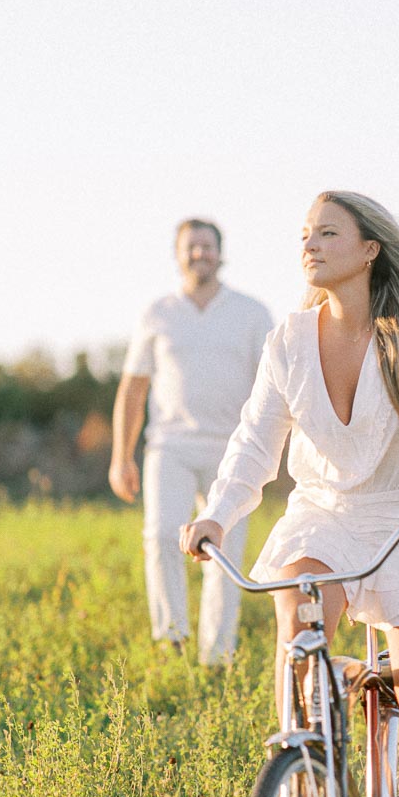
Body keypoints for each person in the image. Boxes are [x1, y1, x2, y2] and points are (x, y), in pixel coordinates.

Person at [180, 192, 399, 797]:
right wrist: (217, 515)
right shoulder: (289, 337)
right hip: (324, 511)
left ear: (369, 249)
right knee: (300, 636)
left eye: (327, 233)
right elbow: (256, 440)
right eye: (304, 235)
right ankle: (313, 786)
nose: (310, 246)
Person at [110, 218, 272, 664]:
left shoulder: (252, 313)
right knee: (162, 534)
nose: (200, 253)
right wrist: (120, 457)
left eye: (207, 246)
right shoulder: (158, 313)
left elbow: (274, 387)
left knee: (224, 549)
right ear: (178, 254)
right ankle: (172, 638)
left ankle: (217, 654)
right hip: (170, 446)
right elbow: (133, 388)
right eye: (191, 247)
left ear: (221, 253)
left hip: (233, 448)